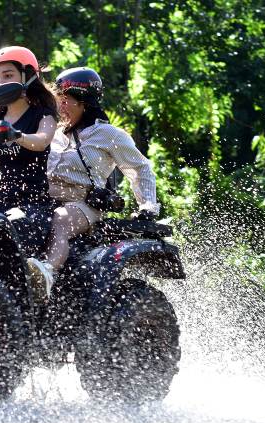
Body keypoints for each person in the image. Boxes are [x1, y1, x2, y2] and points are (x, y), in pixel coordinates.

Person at [29, 67, 160, 300]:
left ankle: (45, 275)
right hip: (45, 199)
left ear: (84, 103)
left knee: (60, 220)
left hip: (82, 205)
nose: (61, 107)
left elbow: (140, 169)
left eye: (67, 101)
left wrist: (147, 206)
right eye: (59, 100)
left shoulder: (108, 134)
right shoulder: (54, 134)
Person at [0, 46, 59, 267]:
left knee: (11, 239)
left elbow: (42, 140)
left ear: (27, 76)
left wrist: (15, 135)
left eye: (8, 75)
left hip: (33, 203)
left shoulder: (42, 114)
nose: (1, 82)